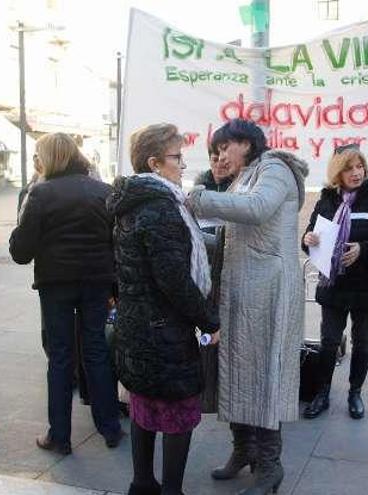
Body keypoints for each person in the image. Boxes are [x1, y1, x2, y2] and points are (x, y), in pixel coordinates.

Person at [187, 118, 308, 495]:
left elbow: (256, 209)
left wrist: (198, 197)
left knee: (265, 376)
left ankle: (269, 466)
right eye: (217, 150)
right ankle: (242, 450)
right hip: (242, 290)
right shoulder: (245, 175)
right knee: (236, 374)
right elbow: (231, 231)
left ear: (246, 143)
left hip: (269, 291)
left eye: (225, 147)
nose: (221, 155)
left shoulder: (274, 168)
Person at [107, 123, 220, 495]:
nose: (184, 165)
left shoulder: (132, 203)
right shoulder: (161, 207)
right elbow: (173, 279)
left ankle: (142, 483)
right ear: (155, 163)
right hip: (164, 329)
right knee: (177, 410)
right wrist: (207, 320)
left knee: (144, 402)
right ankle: (171, 490)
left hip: (137, 323)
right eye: (177, 157)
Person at [9, 133, 123, 454]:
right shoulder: (103, 191)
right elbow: (116, 241)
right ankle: (110, 427)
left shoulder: (41, 194)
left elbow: (21, 251)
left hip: (56, 283)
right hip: (97, 281)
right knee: (96, 350)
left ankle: (59, 436)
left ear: (47, 158)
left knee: (60, 357)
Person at [300, 144, 368, 420]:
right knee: (329, 342)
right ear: (337, 173)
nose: (356, 173)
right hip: (334, 287)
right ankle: (322, 392)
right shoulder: (327, 200)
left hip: (367, 286)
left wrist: (363, 249)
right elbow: (310, 238)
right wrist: (308, 241)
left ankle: (355, 392)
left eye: (359, 166)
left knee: (362, 342)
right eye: (349, 168)